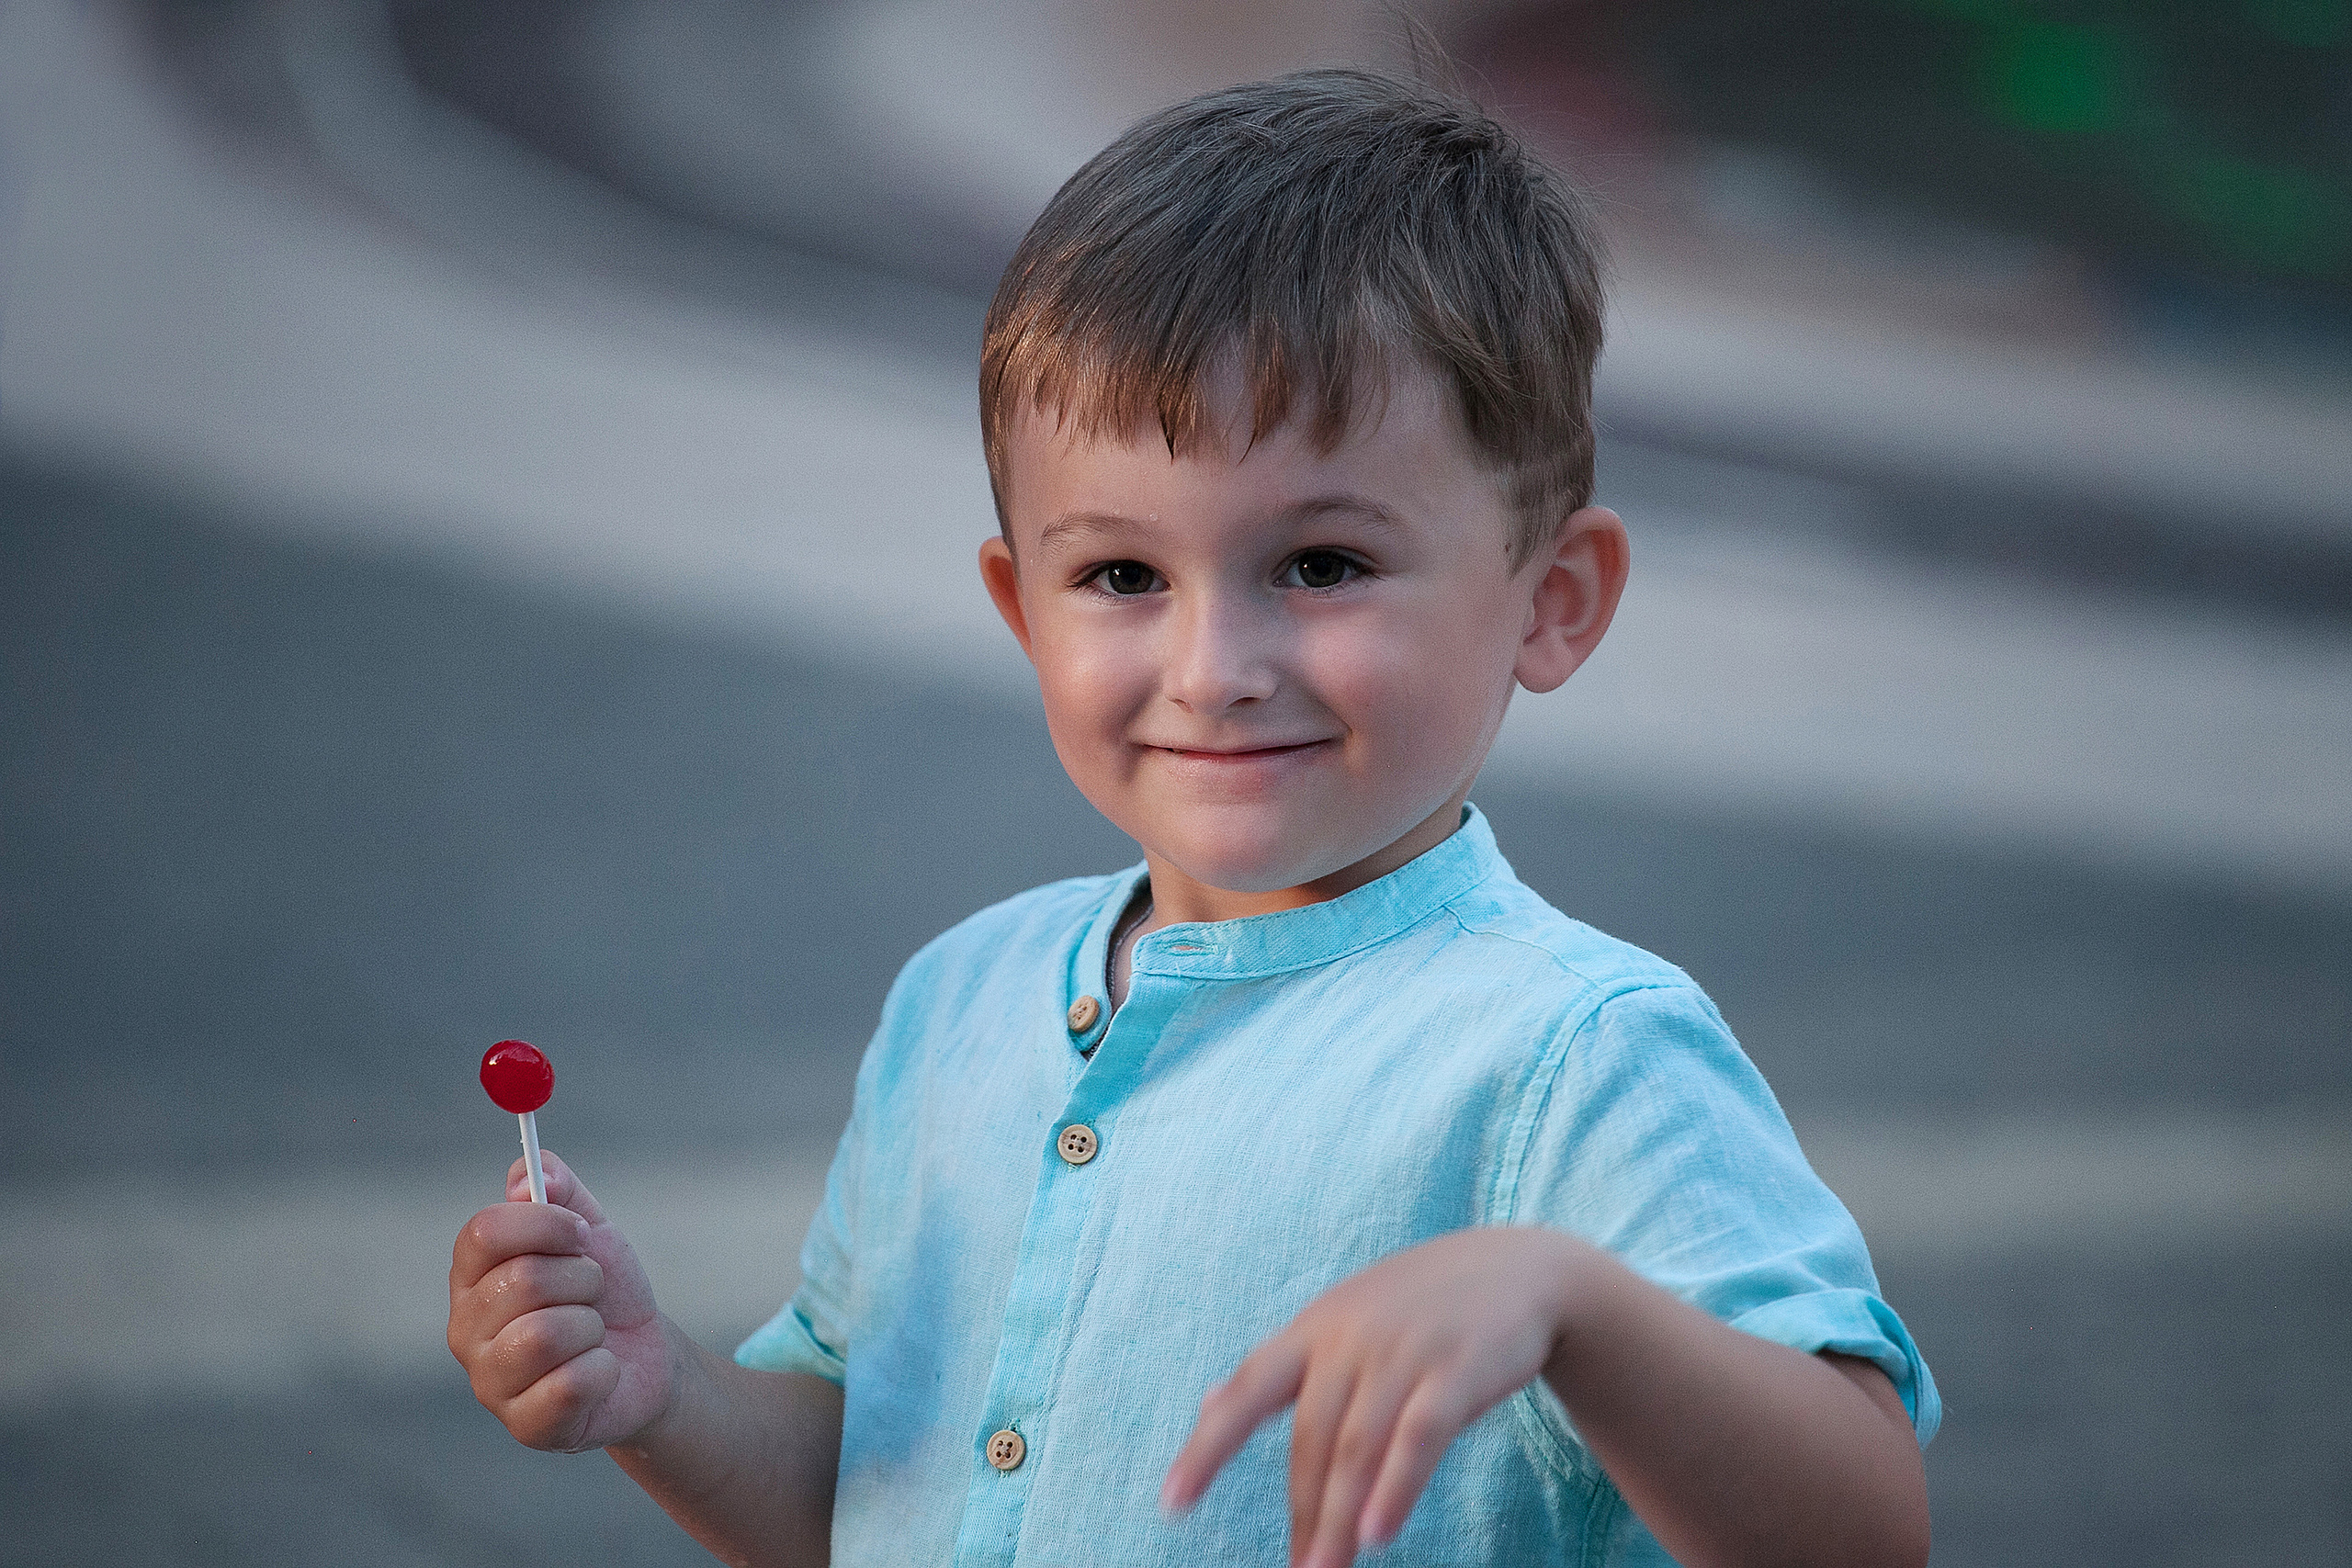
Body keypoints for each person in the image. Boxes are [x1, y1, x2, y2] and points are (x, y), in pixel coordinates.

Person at [447, 68, 1938, 1568]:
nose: (1214, 670)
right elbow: (871, 1498)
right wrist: (660, 1395)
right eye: (1122, 577)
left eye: (1324, 565)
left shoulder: (1577, 1059)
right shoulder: (958, 1003)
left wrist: (1576, 1305)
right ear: (1023, 610)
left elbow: (1863, 1532)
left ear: (1551, 602)